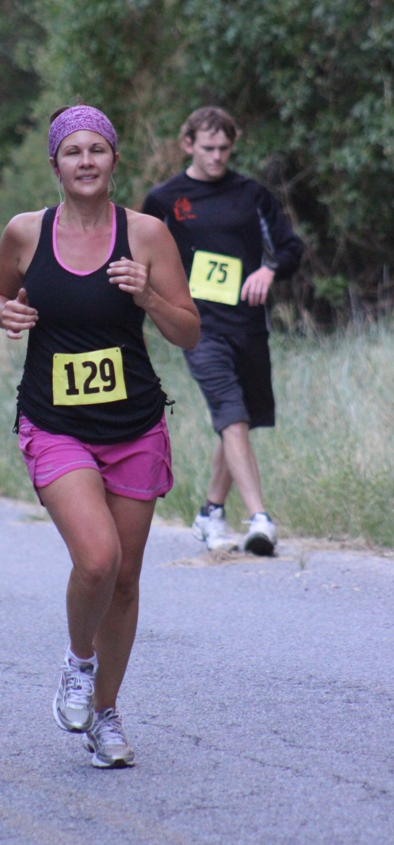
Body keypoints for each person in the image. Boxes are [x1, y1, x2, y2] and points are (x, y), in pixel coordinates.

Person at [0, 105, 199, 768]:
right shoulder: (25, 233)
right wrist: (6, 312)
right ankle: (79, 664)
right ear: (54, 163)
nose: (84, 161)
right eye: (72, 151)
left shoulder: (147, 235)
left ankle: (104, 714)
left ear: (113, 161)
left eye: (96, 150)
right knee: (98, 559)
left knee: (127, 582)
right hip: (55, 424)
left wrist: (148, 298)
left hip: (133, 425)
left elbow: (187, 330)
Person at [142, 106, 303, 555]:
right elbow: (140, 258)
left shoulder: (252, 194)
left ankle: (211, 512)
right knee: (231, 415)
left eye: (224, 149)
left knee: (240, 423)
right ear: (188, 144)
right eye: (207, 148)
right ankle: (260, 518)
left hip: (249, 326)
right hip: (198, 327)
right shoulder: (164, 198)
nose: (216, 157)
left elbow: (291, 246)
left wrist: (270, 271)